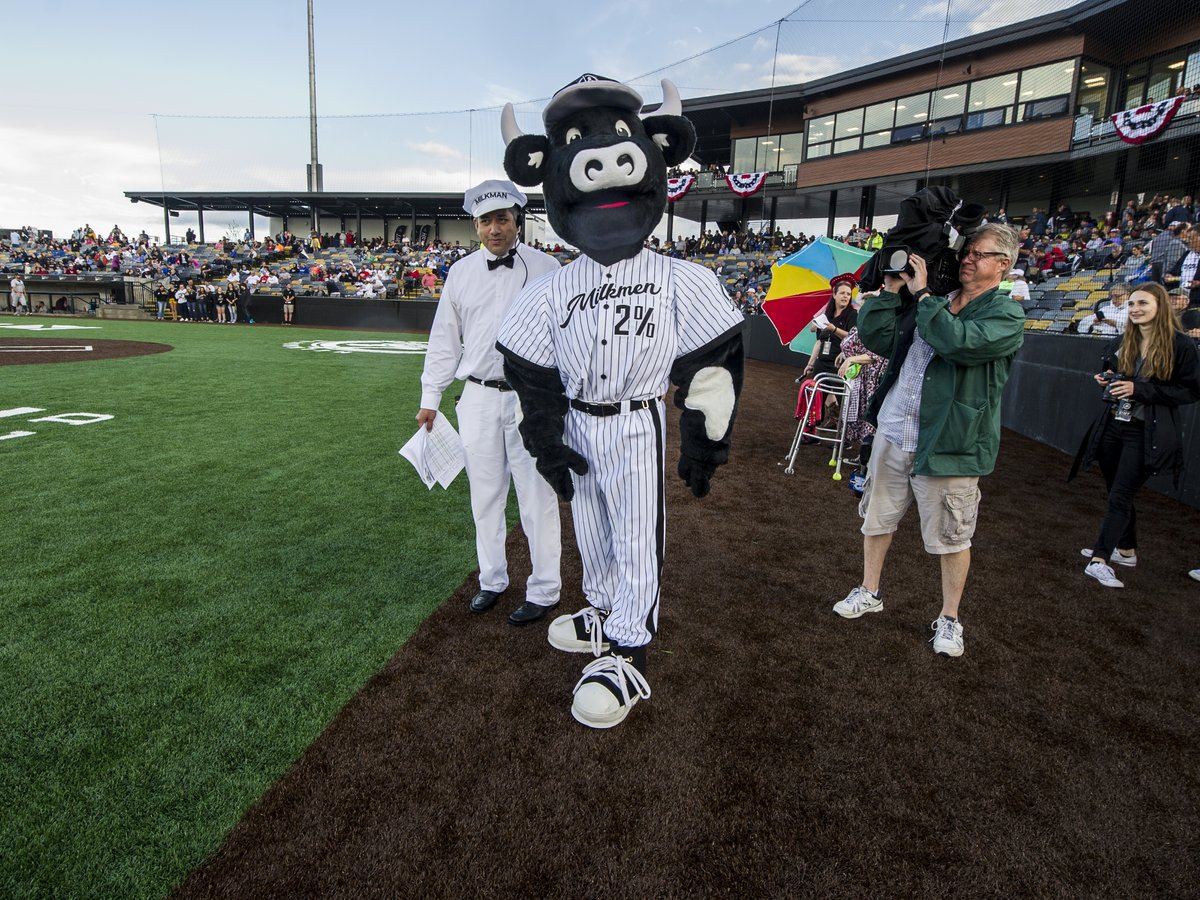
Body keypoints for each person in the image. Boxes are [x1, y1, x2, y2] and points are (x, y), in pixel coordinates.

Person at [832, 223, 1025, 657]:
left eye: (979, 253)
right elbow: (877, 337)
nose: (967, 258)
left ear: (1003, 264)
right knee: (876, 518)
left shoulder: (1006, 314)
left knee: (952, 536)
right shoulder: (931, 301)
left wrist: (921, 298)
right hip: (894, 432)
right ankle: (869, 591)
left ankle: (950, 618)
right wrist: (890, 287)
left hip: (950, 445)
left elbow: (956, 343)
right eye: (967, 251)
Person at [416, 180, 563, 626]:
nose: (494, 229)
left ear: (517, 219)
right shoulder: (460, 272)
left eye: (502, 219)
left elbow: (567, 338)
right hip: (477, 397)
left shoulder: (549, 267)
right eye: (485, 221)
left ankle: (545, 588)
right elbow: (444, 339)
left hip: (531, 400)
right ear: (475, 225)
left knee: (537, 497)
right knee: (485, 497)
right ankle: (492, 579)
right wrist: (430, 397)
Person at [1071, 282, 1200, 587]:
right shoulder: (1124, 339)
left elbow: (1191, 390)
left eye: (1142, 303)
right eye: (1131, 304)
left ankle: (1100, 558)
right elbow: (1116, 372)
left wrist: (1138, 389)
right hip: (1114, 424)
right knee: (1115, 489)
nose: (1135, 309)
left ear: (1160, 307)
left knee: (1121, 494)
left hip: (1147, 432)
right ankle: (1126, 550)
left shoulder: (1181, 344)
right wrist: (1107, 379)